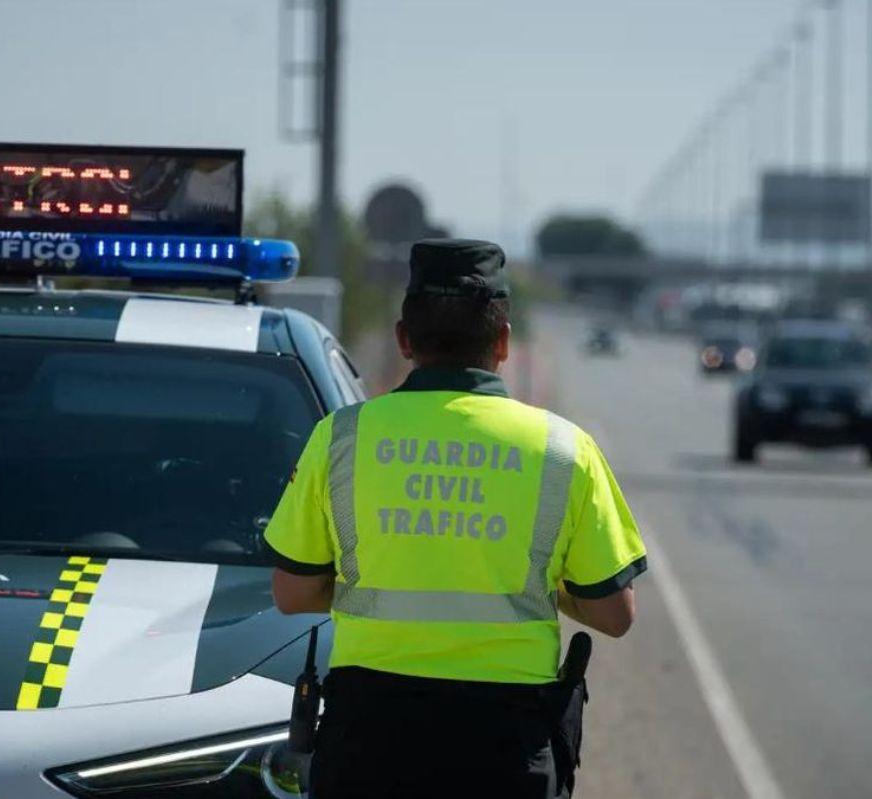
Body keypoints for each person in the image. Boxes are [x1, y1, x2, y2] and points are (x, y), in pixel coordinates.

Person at [262, 239, 647, 798]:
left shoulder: (341, 437)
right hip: (506, 749)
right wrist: (539, 584)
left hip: (368, 741)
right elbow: (614, 614)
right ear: (504, 341)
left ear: (403, 339)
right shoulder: (565, 450)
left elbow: (292, 594)